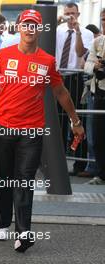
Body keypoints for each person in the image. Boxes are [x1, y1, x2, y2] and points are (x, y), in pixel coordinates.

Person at [0, 9, 84, 252]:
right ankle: (2, 222)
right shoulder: (3, 55)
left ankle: (23, 234)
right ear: (19, 27)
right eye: (26, 24)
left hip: (32, 133)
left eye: (35, 25)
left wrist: (75, 120)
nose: (30, 29)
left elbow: (61, 92)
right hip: (2, 129)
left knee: (24, 181)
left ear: (39, 30)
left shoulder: (47, 61)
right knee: (4, 180)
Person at [56, 2, 94, 175]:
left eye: (73, 13)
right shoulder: (58, 30)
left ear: (78, 14)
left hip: (74, 77)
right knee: (57, 120)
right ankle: (57, 160)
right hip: (57, 77)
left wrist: (77, 31)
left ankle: (79, 163)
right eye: (67, 13)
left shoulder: (86, 33)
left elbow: (80, 53)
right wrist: (57, 21)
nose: (70, 17)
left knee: (77, 118)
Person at [84, 8, 105, 184]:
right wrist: (96, 67)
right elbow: (87, 66)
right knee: (97, 137)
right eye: (103, 20)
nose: (104, 23)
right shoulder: (98, 42)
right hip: (98, 93)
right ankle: (101, 173)